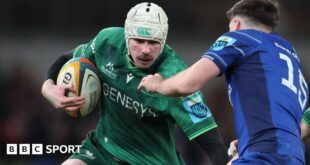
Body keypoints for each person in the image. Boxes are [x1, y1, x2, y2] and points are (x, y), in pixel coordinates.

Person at [41, 2, 229, 165]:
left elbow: (214, 146)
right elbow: (67, 58)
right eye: (139, 41)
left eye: (153, 42)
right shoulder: (107, 43)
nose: (145, 50)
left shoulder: (177, 77)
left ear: (163, 40)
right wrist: (48, 87)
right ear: (127, 34)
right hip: (102, 150)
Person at [138, 0, 309, 164]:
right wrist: (250, 141)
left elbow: (187, 84)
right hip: (292, 157)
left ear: (236, 24)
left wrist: (157, 84)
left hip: (263, 155)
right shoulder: (288, 54)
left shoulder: (241, 38)